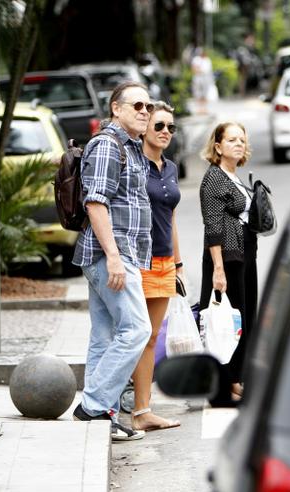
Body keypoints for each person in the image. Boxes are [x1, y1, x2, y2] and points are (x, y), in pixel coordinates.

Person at [71, 81, 154, 441]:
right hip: (110, 255)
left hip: (115, 254)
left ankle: (102, 413)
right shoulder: (107, 145)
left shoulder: (130, 147)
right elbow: (96, 203)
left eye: (148, 107)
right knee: (138, 329)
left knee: (104, 335)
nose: (145, 112)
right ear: (115, 109)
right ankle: (93, 405)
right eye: (137, 105)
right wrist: (114, 257)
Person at [131, 101, 183, 432]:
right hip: (139, 259)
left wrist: (179, 264)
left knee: (150, 338)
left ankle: (143, 410)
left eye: (171, 128)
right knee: (134, 335)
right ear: (146, 127)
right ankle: (124, 407)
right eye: (159, 126)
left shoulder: (171, 168)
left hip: (165, 260)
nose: (166, 132)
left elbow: (172, 218)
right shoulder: (134, 164)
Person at [198, 122, 257, 407]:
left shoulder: (234, 176)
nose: (238, 144)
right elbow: (212, 227)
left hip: (245, 254)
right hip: (227, 258)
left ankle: (238, 377)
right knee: (227, 322)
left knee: (244, 317)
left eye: (241, 139)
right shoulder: (213, 179)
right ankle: (228, 382)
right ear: (218, 146)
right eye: (231, 139)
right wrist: (218, 269)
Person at [191, 48, 214, 114]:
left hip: (206, 77)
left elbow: (209, 70)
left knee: (205, 93)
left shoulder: (207, 60)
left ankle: (204, 108)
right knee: (198, 93)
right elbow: (194, 69)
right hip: (198, 77)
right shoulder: (196, 59)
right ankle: (199, 109)